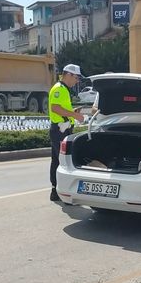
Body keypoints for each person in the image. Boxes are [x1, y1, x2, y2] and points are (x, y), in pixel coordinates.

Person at [49, 64, 85, 201]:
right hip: (60, 130)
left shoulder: (63, 89)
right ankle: (63, 192)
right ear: (68, 75)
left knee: (57, 161)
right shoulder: (59, 89)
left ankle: (55, 191)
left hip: (61, 128)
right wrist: (75, 116)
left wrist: (72, 113)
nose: (77, 81)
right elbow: (56, 108)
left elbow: (61, 109)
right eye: (76, 78)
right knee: (65, 161)